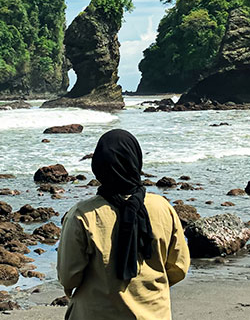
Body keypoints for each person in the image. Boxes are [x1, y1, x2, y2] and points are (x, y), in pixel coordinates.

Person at [57, 129, 190, 320]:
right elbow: (178, 267)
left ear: (98, 166)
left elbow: (69, 276)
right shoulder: (163, 208)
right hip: (153, 314)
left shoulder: (82, 215)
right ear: (136, 161)